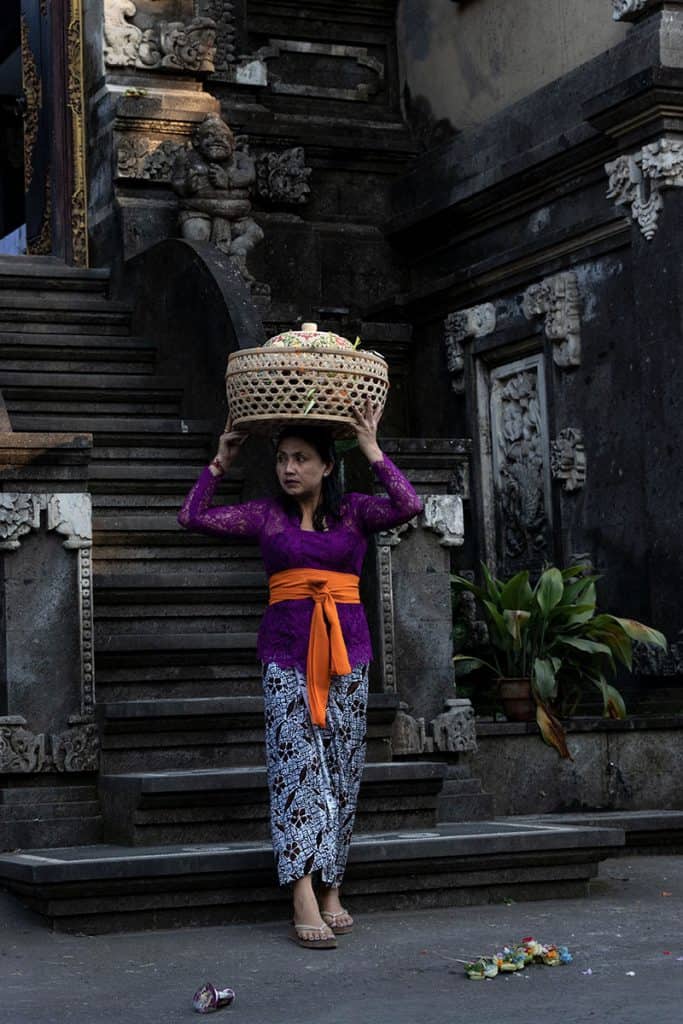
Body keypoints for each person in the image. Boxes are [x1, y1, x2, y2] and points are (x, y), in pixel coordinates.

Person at [178, 400, 423, 948]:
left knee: (341, 769)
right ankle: (302, 892)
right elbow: (192, 517)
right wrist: (219, 464)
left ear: (327, 466)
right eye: (283, 459)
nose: (289, 469)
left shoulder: (356, 512)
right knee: (296, 772)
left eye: (303, 459)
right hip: (286, 655)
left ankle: (333, 883)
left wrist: (372, 449)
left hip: (348, 654)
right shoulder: (267, 515)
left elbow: (410, 504)